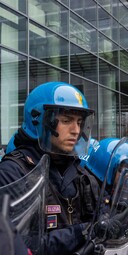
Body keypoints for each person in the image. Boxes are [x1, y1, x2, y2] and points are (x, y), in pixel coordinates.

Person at [0, 82, 100, 255]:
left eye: (79, 122)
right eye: (67, 120)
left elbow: (102, 221)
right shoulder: (12, 173)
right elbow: (19, 245)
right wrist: (82, 232)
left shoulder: (81, 174)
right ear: (39, 120)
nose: (76, 130)